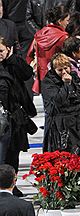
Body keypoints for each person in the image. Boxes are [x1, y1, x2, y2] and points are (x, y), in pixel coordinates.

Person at [41, 52, 80, 154]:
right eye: (60, 70)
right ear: (54, 70)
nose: (64, 72)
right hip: (60, 127)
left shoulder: (74, 78)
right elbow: (58, 102)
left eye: (66, 68)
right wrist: (66, 84)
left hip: (77, 124)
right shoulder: (48, 83)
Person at [0, 37, 36, 172]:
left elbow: (27, 74)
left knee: (14, 152)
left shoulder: (14, 62)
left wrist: (11, 59)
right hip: (1, 114)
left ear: (8, 49)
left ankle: (11, 184)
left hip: (15, 114)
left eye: (1, 51)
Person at [26, 4, 70, 94]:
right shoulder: (64, 38)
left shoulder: (39, 34)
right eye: (67, 20)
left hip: (42, 78)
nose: (68, 23)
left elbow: (29, 56)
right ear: (60, 21)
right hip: (59, 78)